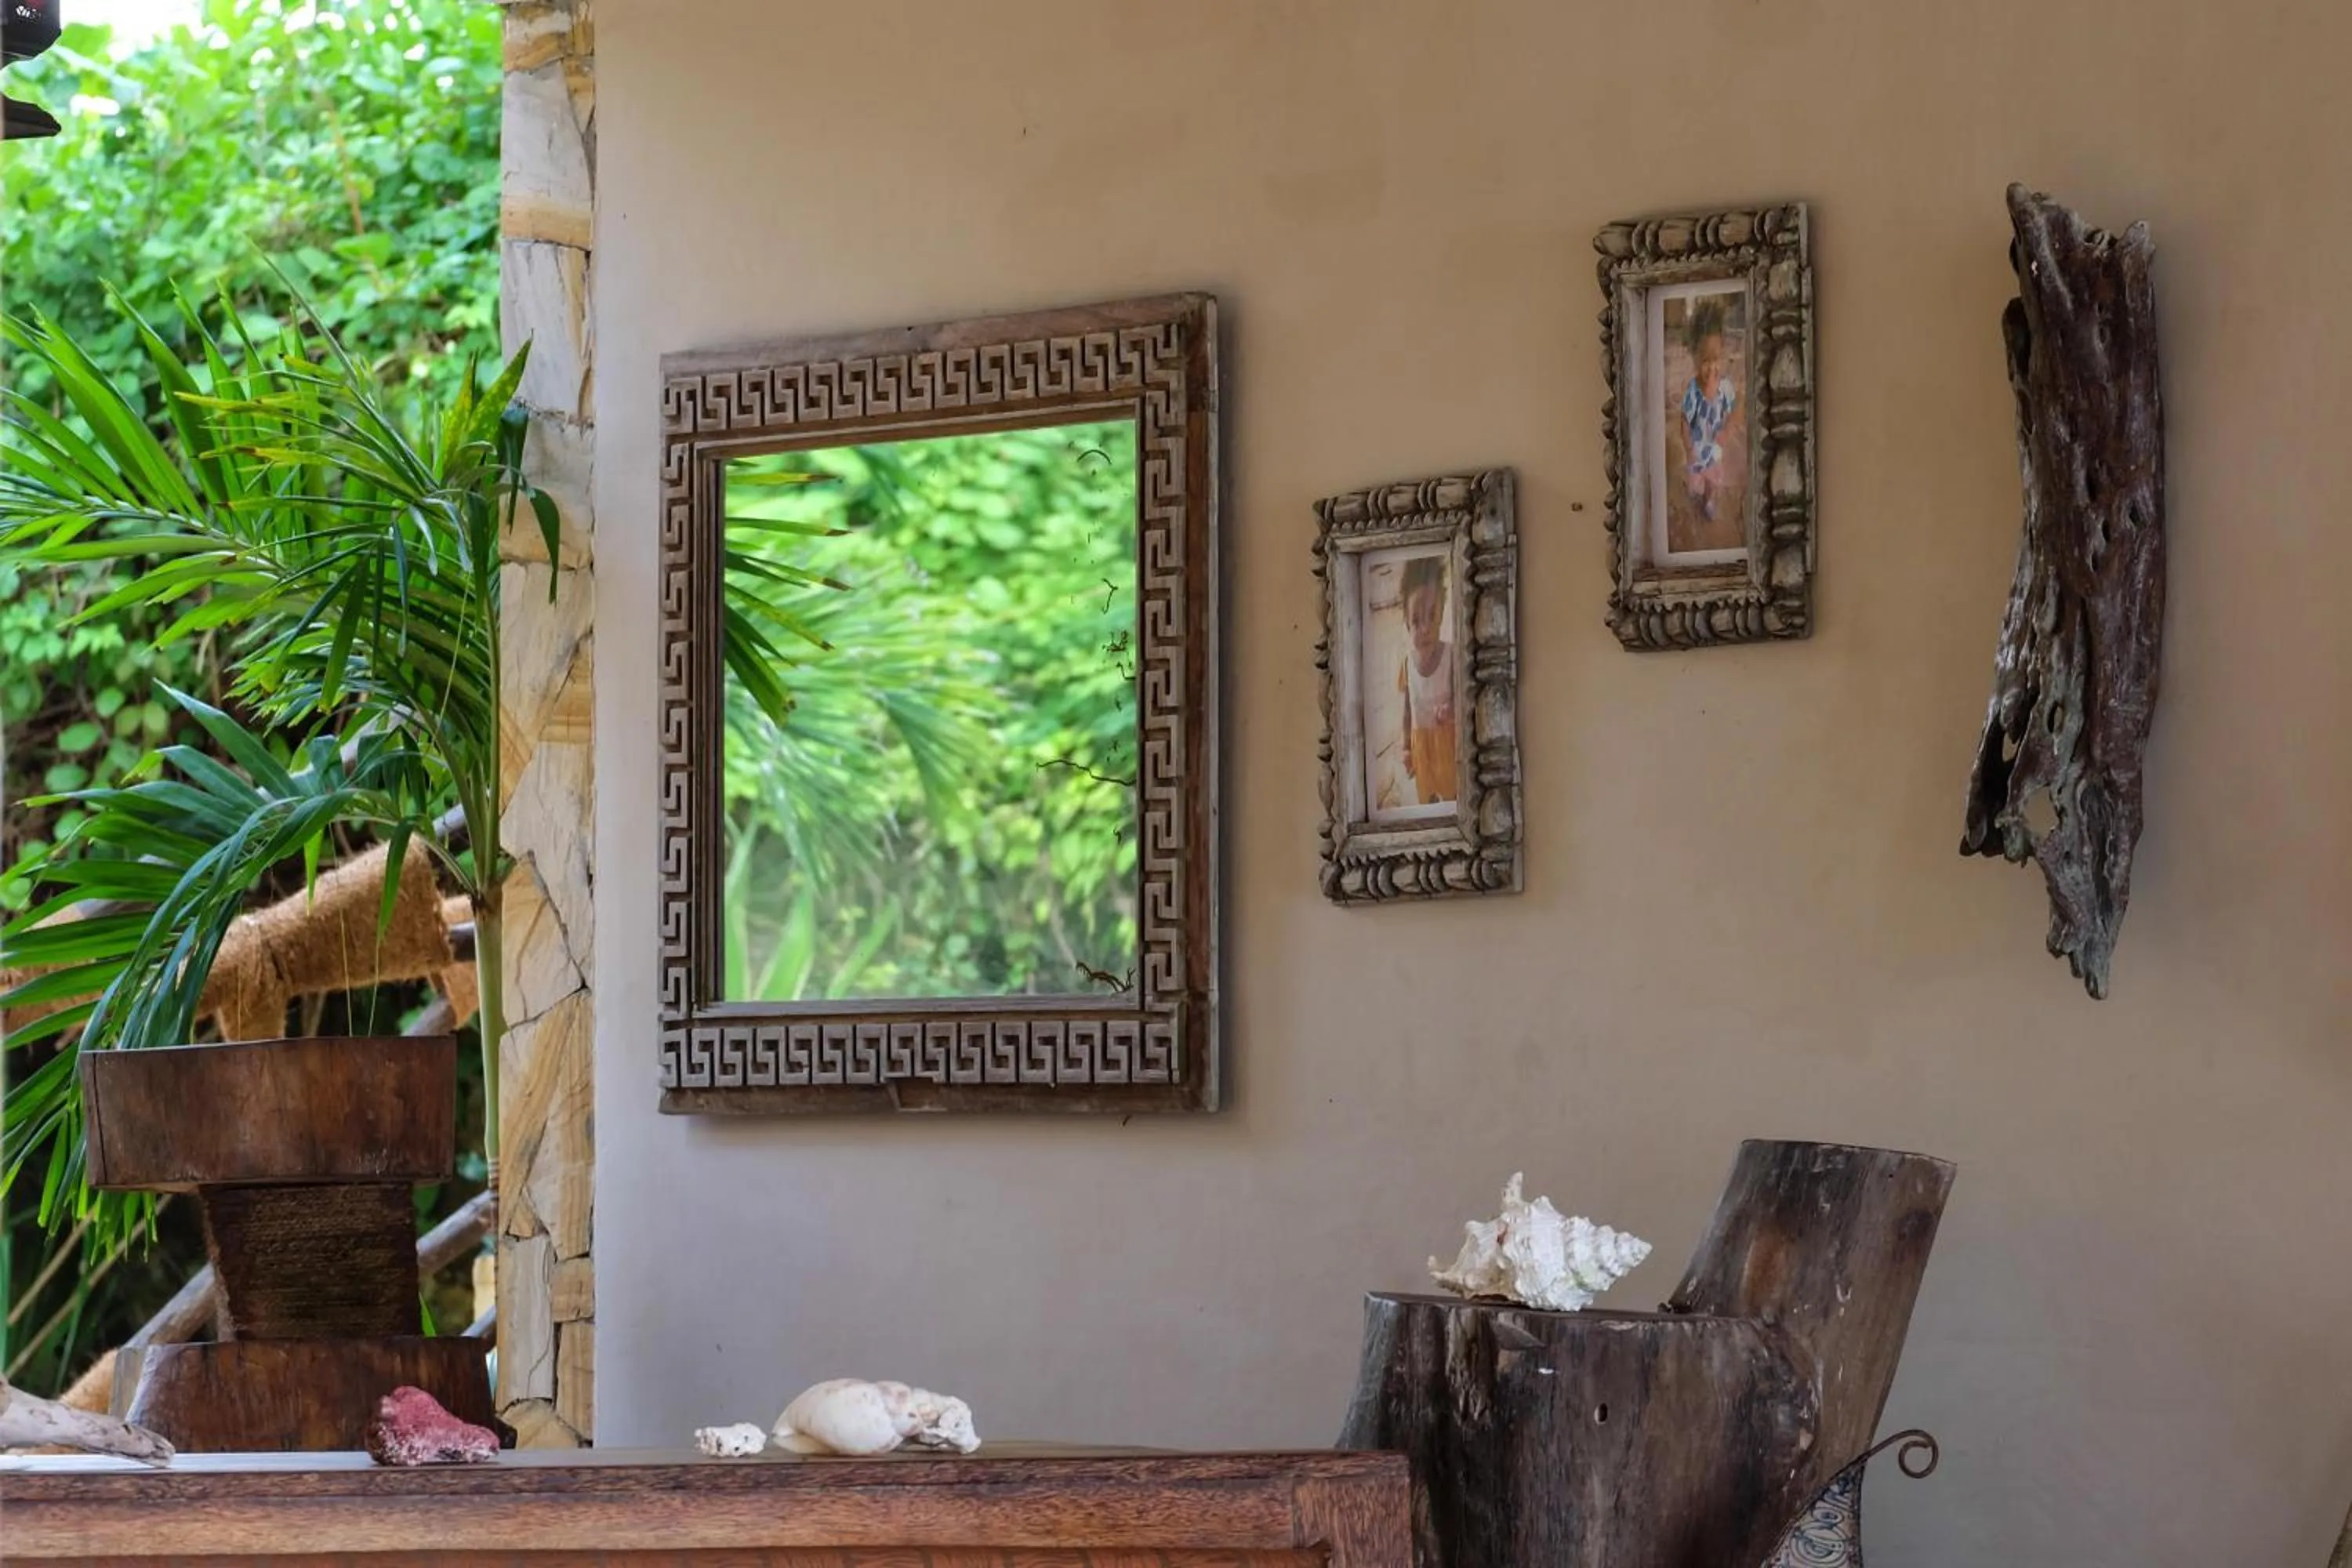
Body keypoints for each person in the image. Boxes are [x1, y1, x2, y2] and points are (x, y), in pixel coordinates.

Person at [1396, 556, 1456, 806]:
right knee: (1427, 799)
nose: (1425, 628)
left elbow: (1463, 697)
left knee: (1453, 795)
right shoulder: (1408, 664)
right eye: (1417, 620)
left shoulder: (1451, 656)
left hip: (1448, 744)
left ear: (1442, 613)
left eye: (1432, 615)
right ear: (1406, 623)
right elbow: (1407, 710)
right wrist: (1406, 747)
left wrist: (1453, 709)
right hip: (1422, 748)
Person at [1678, 298, 1738, 529]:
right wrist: (1688, 448)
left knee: (1713, 478)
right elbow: (1684, 420)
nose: (1711, 367)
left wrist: (1728, 429)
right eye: (1705, 361)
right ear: (1694, 358)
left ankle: (1709, 498)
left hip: (1714, 447)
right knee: (1696, 478)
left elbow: (1735, 410)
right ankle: (1697, 489)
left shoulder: (1724, 387)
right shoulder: (1693, 392)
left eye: (1716, 360)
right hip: (1696, 446)